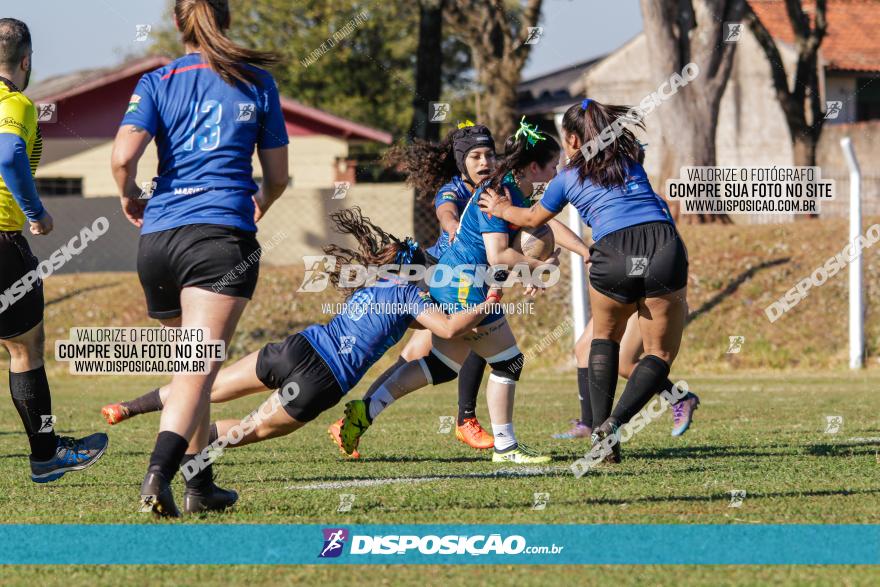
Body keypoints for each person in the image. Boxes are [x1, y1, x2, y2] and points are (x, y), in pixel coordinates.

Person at [101, 208, 500, 463]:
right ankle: (177, 450)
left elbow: (413, 323)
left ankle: (130, 407)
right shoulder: (411, 295)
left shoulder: (375, 283)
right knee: (249, 428)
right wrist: (490, 301)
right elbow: (446, 328)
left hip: (297, 348)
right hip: (322, 380)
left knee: (207, 384)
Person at [110, 0, 289, 516]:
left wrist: (128, 196)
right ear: (227, 19)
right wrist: (262, 202)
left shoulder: (157, 80)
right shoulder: (255, 82)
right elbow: (276, 176)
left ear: (176, 23)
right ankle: (158, 475)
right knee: (196, 371)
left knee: (193, 371)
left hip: (158, 241)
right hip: (218, 238)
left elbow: (123, 157)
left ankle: (200, 483)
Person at [336, 119, 589, 464]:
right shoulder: (497, 193)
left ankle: (363, 411)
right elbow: (498, 253)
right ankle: (506, 446)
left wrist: (560, 256)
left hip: (455, 280)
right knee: (508, 361)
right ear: (534, 167)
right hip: (463, 286)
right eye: (554, 166)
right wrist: (537, 266)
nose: (558, 172)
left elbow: (532, 231)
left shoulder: (515, 189)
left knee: (441, 365)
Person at [479, 99, 690, 463]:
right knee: (659, 353)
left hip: (612, 252)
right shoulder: (630, 158)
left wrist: (499, 209)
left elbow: (531, 219)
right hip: (661, 246)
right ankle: (614, 423)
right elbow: (627, 144)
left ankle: (599, 430)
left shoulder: (566, 179)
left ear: (574, 140)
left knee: (603, 340)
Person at [0, 18, 108, 483]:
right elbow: (8, 155)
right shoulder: (15, 102)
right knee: (25, 348)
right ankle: (47, 456)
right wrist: (37, 212)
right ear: (26, 61)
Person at [351, 123, 498, 452]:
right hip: (438, 279)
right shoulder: (454, 189)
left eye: (490, 154)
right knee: (481, 334)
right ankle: (466, 420)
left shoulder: (497, 191)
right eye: (476, 155)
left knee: (416, 361)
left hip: (456, 284)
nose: (485, 161)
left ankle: (353, 422)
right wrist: (453, 224)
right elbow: (445, 211)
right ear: (462, 161)